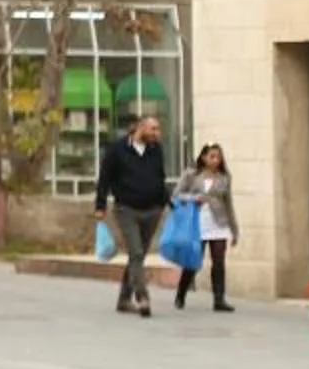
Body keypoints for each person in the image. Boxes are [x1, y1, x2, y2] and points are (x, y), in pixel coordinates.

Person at [92, 109, 171, 317]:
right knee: (136, 252)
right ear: (140, 128)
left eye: (158, 129)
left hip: (152, 210)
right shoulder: (117, 150)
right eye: (153, 129)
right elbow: (104, 179)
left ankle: (123, 300)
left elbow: (160, 177)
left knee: (138, 256)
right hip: (127, 209)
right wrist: (100, 206)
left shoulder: (156, 150)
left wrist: (168, 202)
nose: (157, 133)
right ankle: (142, 296)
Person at [172, 141, 238, 312]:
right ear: (204, 157)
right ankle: (181, 293)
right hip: (197, 223)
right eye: (212, 156)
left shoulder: (225, 177)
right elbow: (176, 195)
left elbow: (228, 203)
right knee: (194, 261)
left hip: (219, 223)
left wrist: (234, 229)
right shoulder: (191, 175)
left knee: (218, 261)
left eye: (219, 157)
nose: (216, 160)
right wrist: (194, 198)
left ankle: (219, 299)